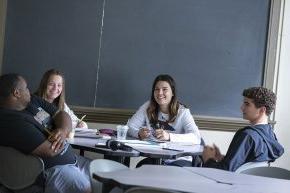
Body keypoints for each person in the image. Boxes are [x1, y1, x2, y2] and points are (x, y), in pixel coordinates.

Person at [0, 74, 91, 193]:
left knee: (105, 175)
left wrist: (62, 131)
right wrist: (63, 133)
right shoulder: (9, 120)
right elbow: (50, 150)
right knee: (83, 188)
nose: (29, 91)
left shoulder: (32, 100)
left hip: (71, 160)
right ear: (17, 93)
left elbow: (62, 114)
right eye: (26, 88)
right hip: (48, 171)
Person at [202, 87, 284, 171]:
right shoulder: (270, 133)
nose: (242, 108)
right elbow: (244, 165)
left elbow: (225, 172)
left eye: (247, 104)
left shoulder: (247, 135)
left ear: (262, 110)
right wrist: (222, 158)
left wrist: (208, 159)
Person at [127, 74, 201, 166]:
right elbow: (130, 127)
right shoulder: (147, 107)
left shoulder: (183, 112)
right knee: (140, 167)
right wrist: (138, 133)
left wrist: (169, 136)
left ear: (172, 93)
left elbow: (196, 138)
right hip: (155, 158)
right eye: (156, 89)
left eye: (164, 89)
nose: (160, 93)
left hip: (179, 160)